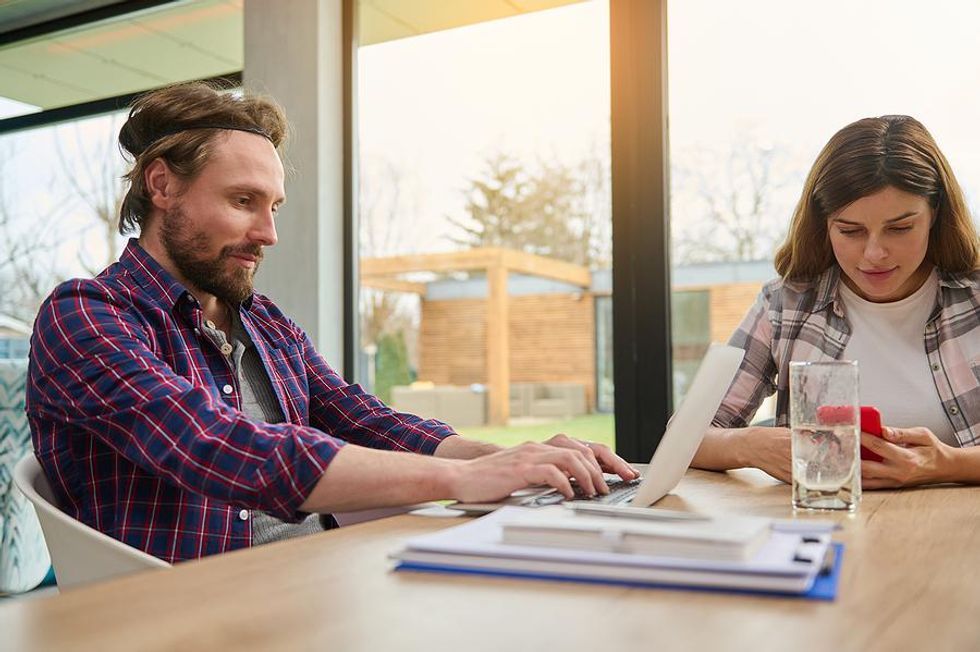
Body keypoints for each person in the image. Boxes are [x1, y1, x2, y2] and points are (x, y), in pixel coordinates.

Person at [25, 82, 636, 563]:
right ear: (162, 186)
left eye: (273, 207)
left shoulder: (263, 322)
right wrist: (467, 476)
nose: (268, 233)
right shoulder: (85, 315)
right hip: (181, 612)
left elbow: (365, 420)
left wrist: (514, 458)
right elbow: (221, 447)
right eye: (244, 202)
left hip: (311, 580)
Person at [692, 115, 980, 489]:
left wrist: (947, 464)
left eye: (900, 228)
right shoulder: (785, 306)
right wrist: (750, 445)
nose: (874, 253)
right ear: (824, 224)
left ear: (935, 214)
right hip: (824, 529)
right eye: (850, 231)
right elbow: (688, 440)